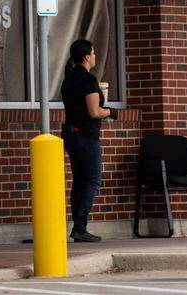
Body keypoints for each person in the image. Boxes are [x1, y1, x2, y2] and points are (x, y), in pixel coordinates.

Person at [60, 38, 111, 242]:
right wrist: (111, 112)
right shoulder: (88, 79)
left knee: (79, 181)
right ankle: (80, 227)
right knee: (92, 180)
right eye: (94, 52)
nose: (96, 56)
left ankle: (78, 226)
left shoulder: (68, 79)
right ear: (87, 56)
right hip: (86, 136)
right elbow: (94, 111)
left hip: (72, 134)